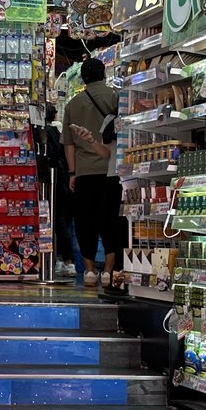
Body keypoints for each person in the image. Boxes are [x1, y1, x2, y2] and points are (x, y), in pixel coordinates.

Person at [61, 57, 124, 288]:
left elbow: (69, 143)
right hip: (112, 171)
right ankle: (108, 272)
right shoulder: (114, 98)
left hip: (84, 172)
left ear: (83, 77)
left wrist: (72, 172)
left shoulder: (72, 105)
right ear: (104, 74)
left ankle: (88, 272)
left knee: (85, 222)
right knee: (110, 220)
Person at [42, 103, 78, 279]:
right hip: (64, 181)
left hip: (53, 182)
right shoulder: (60, 132)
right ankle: (66, 260)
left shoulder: (45, 134)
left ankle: (65, 260)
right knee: (62, 221)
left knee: (57, 221)